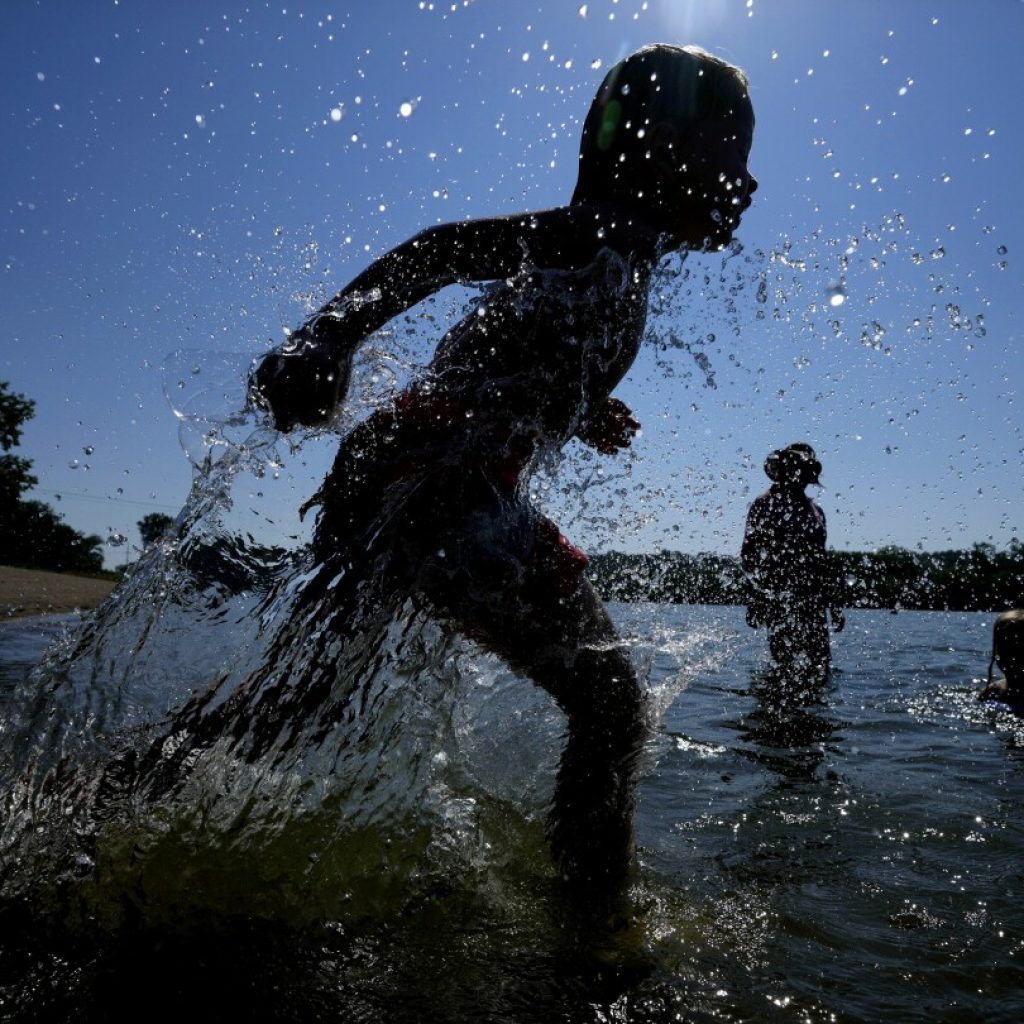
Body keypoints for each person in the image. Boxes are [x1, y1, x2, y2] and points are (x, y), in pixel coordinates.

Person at [159, 44, 757, 891]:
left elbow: (509, 360)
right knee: (612, 705)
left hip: (422, 475)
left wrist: (576, 409)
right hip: (433, 479)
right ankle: (591, 930)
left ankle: (129, 787)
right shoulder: (595, 234)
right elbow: (439, 250)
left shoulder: (623, 258)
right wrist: (329, 336)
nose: (748, 178)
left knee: (304, 700)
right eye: (733, 148)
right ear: (650, 145)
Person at [741, 443, 843, 674]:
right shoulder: (764, 504)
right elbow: (749, 554)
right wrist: (756, 596)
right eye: (797, 470)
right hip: (779, 597)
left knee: (820, 667)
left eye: (808, 471)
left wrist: (834, 605)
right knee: (783, 668)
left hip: (813, 600)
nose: (804, 477)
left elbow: (822, 561)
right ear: (783, 470)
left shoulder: (816, 510)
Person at [978, 610, 1024, 710]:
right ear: (996, 654)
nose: (1013, 659)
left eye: (1020, 651)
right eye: (1007, 650)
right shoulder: (992, 692)